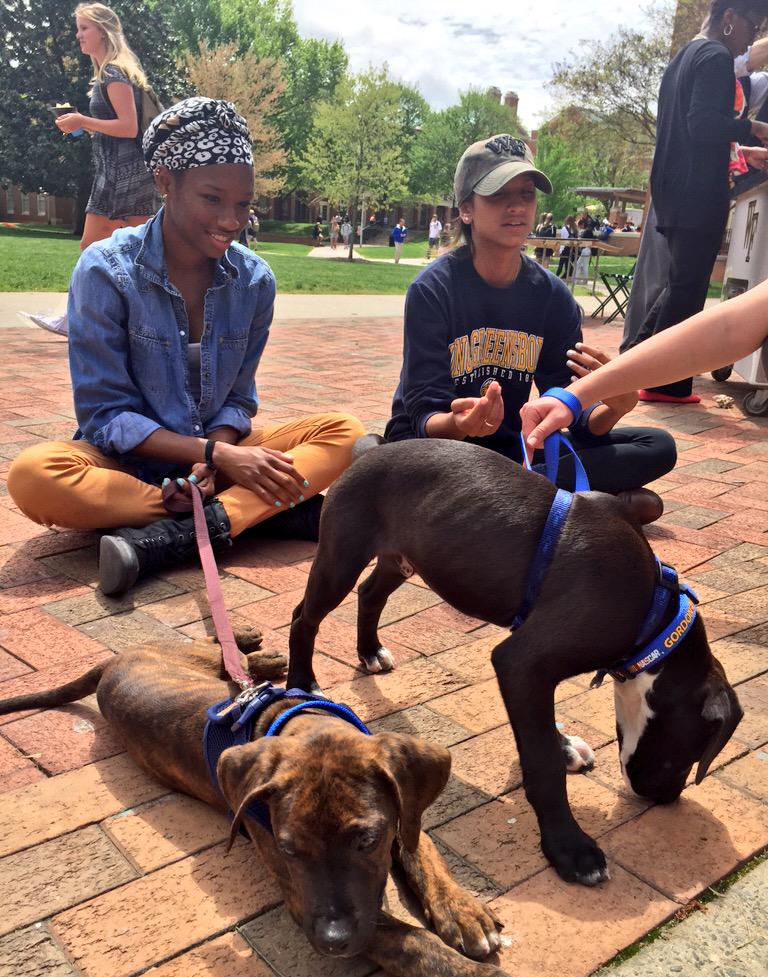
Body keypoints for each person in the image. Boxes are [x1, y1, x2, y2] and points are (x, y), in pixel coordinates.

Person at [7, 97, 364, 596]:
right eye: (212, 199)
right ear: (164, 181)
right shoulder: (105, 270)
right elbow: (105, 414)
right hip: (128, 466)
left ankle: (184, 532)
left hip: (218, 457)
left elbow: (238, 397)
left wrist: (217, 456)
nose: (231, 220)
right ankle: (248, 512)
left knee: (346, 434)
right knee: (33, 476)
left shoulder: (255, 280)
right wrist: (216, 455)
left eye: (243, 204)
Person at [383, 134, 676, 522]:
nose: (517, 206)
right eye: (498, 194)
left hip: (508, 452)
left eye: (526, 194)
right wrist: (461, 423)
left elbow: (570, 409)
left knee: (656, 444)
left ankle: (516, 505)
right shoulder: (433, 290)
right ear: (467, 209)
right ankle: (576, 506)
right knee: (415, 467)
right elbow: (423, 416)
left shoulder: (552, 297)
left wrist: (614, 406)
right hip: (435, 449)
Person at [620, 0, 768, 404]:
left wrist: (741, 146)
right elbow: (702, 124)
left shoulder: (684, 57)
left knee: (679, 283)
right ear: (729, 18)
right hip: (697, 190)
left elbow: (687, 128)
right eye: (753, 26)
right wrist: (753, 128)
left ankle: (636, 361)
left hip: (671, 188)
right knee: (688, 288)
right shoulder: (716, 56)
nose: (752, 38)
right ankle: (665, 383)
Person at [27, 3, 157, 337]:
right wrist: (82, 126)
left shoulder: (113, 72)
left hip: (120, 178)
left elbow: (128, 127)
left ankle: (76, 319)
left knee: (93, 248)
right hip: (125, 175)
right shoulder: (110, 73)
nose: (78, 35)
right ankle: (143, 322)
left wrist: (83, 120)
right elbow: (119, 127)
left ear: (103, 31)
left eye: (84, 28)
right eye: (78, 28)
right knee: (142, 254)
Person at [521, 275, 768, 451]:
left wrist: (606, 402)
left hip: (533, 445)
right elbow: (725, 329)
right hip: (514, 446)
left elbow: (583, 424)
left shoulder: (551, 292)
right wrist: (575, 396)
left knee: (656, 445)